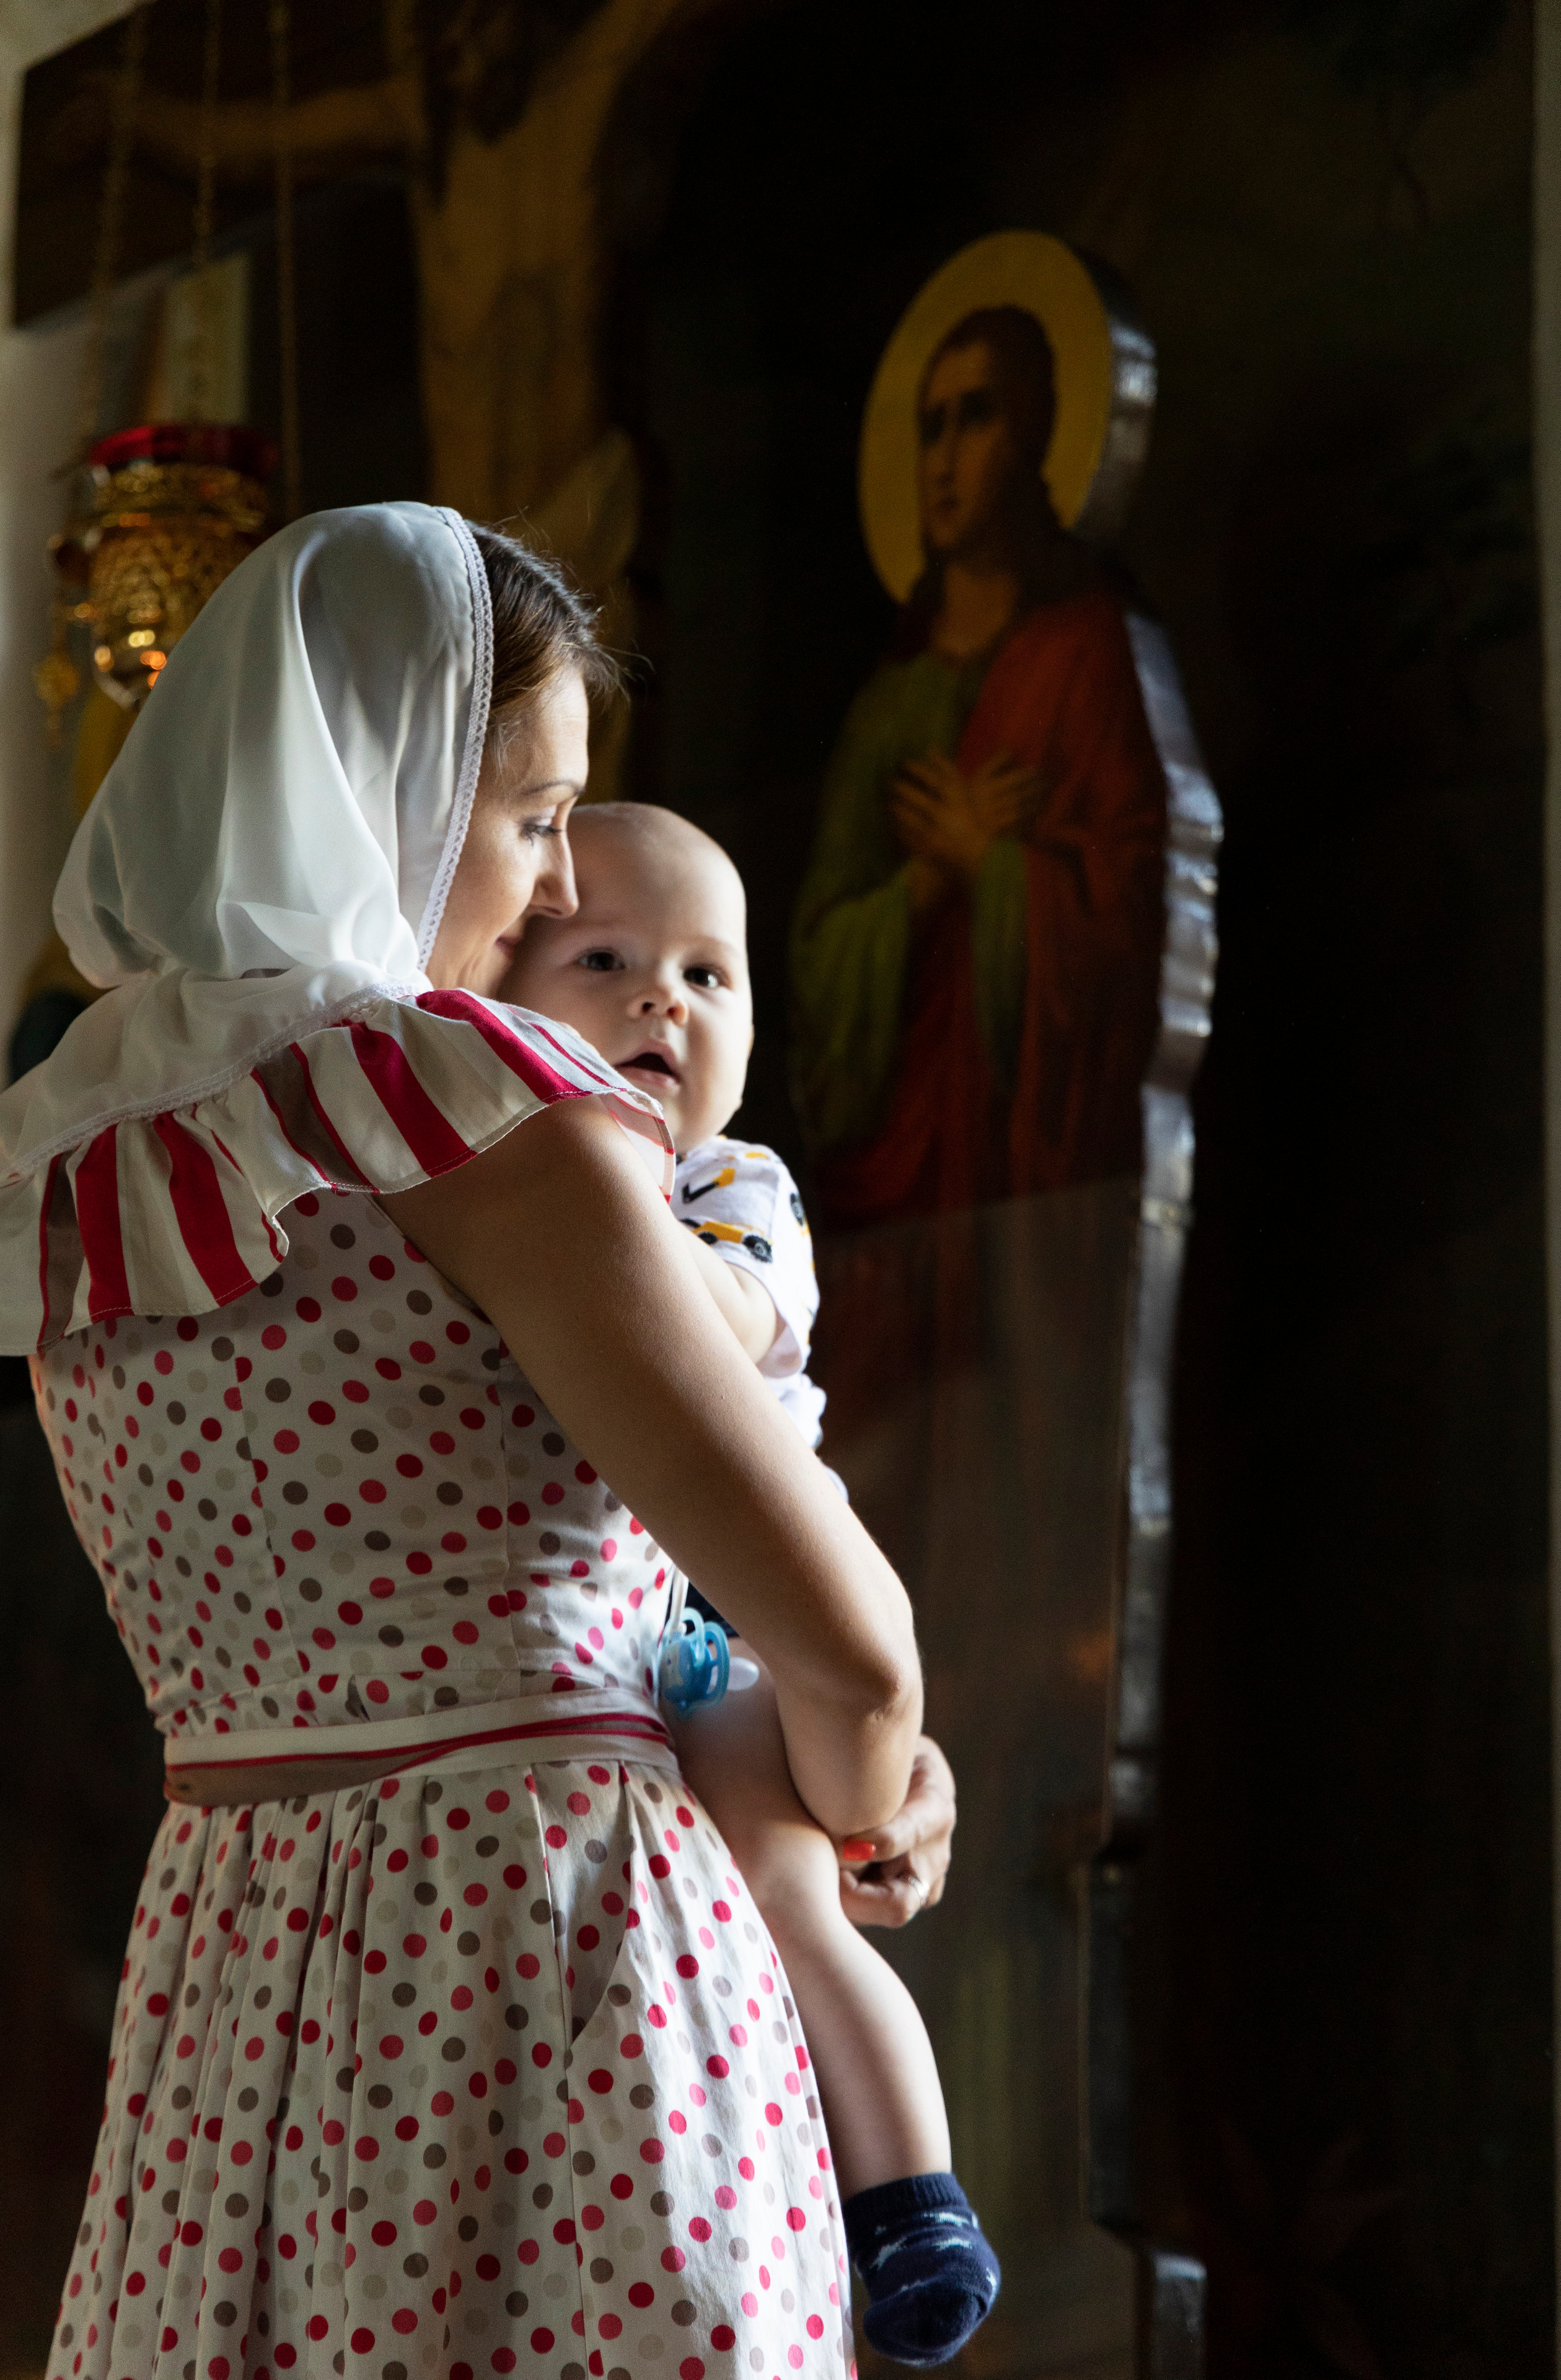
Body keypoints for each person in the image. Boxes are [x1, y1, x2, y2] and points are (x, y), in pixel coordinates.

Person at [0, 504, 948, 2380]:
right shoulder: (476, 1107)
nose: (559, 875)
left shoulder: (85, 1151)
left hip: (230, 1992)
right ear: (393, 792)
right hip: (553, 1953)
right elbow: (851, 1646)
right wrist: (867, 1791)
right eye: (532, 814)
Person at [502, 805, 1001, 2366]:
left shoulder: (731, 1185)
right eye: (605, 960)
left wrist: (597, 1220)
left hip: (725, 1629)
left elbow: (718, 1321)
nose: (663, 998)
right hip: (591, 1667)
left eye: (707, 976)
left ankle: (911, 2198)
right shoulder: (493, 1166)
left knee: (792, 1894)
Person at [789, 304, 1169, 1227]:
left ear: (1034, 437)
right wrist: (927, 882)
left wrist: (990, 864)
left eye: (978, 417)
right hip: (895, 1184)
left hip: (1036, 1172)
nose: (945, 461)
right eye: (932, 428)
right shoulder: (888, 706)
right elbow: (816, 959)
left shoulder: (1088, 658)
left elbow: (1138, 914)